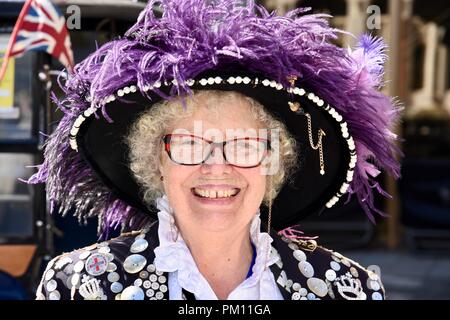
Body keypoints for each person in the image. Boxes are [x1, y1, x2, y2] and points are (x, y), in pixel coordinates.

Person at [30, 0, 401, 300]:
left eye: (243, 145)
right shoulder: (74, 287)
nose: (217, 167)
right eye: (191, 144)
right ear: (157, 162)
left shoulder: (348, 289)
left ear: (273, 163)